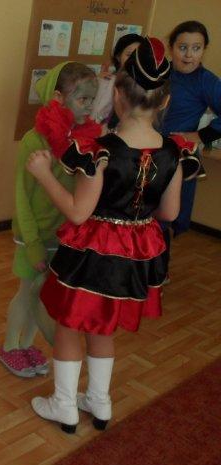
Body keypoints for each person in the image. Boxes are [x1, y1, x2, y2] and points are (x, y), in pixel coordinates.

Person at [27, 37, 200, 433]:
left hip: (91, 254)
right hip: (134, 256)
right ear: (165, 101)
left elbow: (78, 211)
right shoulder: (174, 152)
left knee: (70, 325)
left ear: (118, 95)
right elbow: (170, 213)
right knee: (103, 326)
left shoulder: (99, 150)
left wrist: (43, 175)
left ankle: (65, 404)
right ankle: (99, 401)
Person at [0, 62, 101, 378]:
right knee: (27, 291)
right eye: (82, 99)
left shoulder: (82, 142)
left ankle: (27, 344)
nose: (89, 107)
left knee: (41, 293)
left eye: (92, 99)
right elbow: (21, 195)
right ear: (58, 98)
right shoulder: (34, 140)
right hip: (34, 233)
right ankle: (10, 346)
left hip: (62, 234)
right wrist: (31, 243)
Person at [161, 20, 218, 252]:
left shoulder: (206, 81)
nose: (189, 55)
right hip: (149, 150)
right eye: (182, 47)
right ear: (171, 47)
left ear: (204, 50)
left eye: (196, 48)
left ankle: (157, 268)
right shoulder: (160, 72)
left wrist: (200, 135)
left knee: (166, 217)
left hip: (177, 157)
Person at [92, 33, 143, 127]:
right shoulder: (107, 81)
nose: (134, 60)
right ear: (118, 57)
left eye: (139, 55)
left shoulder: (145, 86)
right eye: (129, 55)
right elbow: (94, 117)